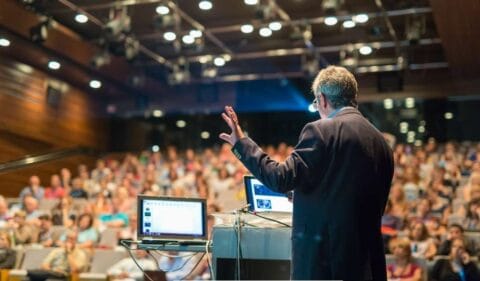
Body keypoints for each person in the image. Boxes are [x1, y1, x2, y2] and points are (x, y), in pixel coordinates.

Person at [219, 66, 394, 280]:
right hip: (367, 265)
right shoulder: (381, 142)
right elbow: (353, 198)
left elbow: (279, 178)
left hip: (326, 264)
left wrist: (242, 144)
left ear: (322, 99)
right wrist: (302, 196)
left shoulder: (322, 130)